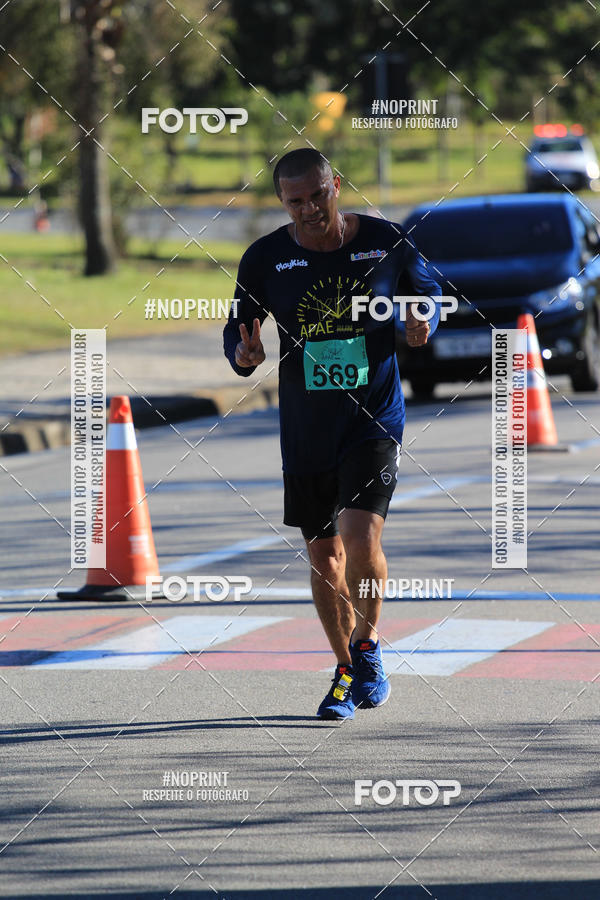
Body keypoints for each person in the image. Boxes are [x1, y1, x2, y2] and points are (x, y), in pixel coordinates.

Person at [223, 148, 441, 720]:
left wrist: (423, 321)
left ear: (335, 185)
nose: (309, 209)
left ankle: (368, 648)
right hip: (306, 427)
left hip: (372, 418)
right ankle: (343, 667)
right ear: (282, 202)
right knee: (324, 555)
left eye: (317, 195)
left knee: (361, 537)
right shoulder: (265, 258)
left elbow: (428, 295)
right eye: (295, 201)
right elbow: (238, 330)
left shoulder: (387, 240)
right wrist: (244, 355)